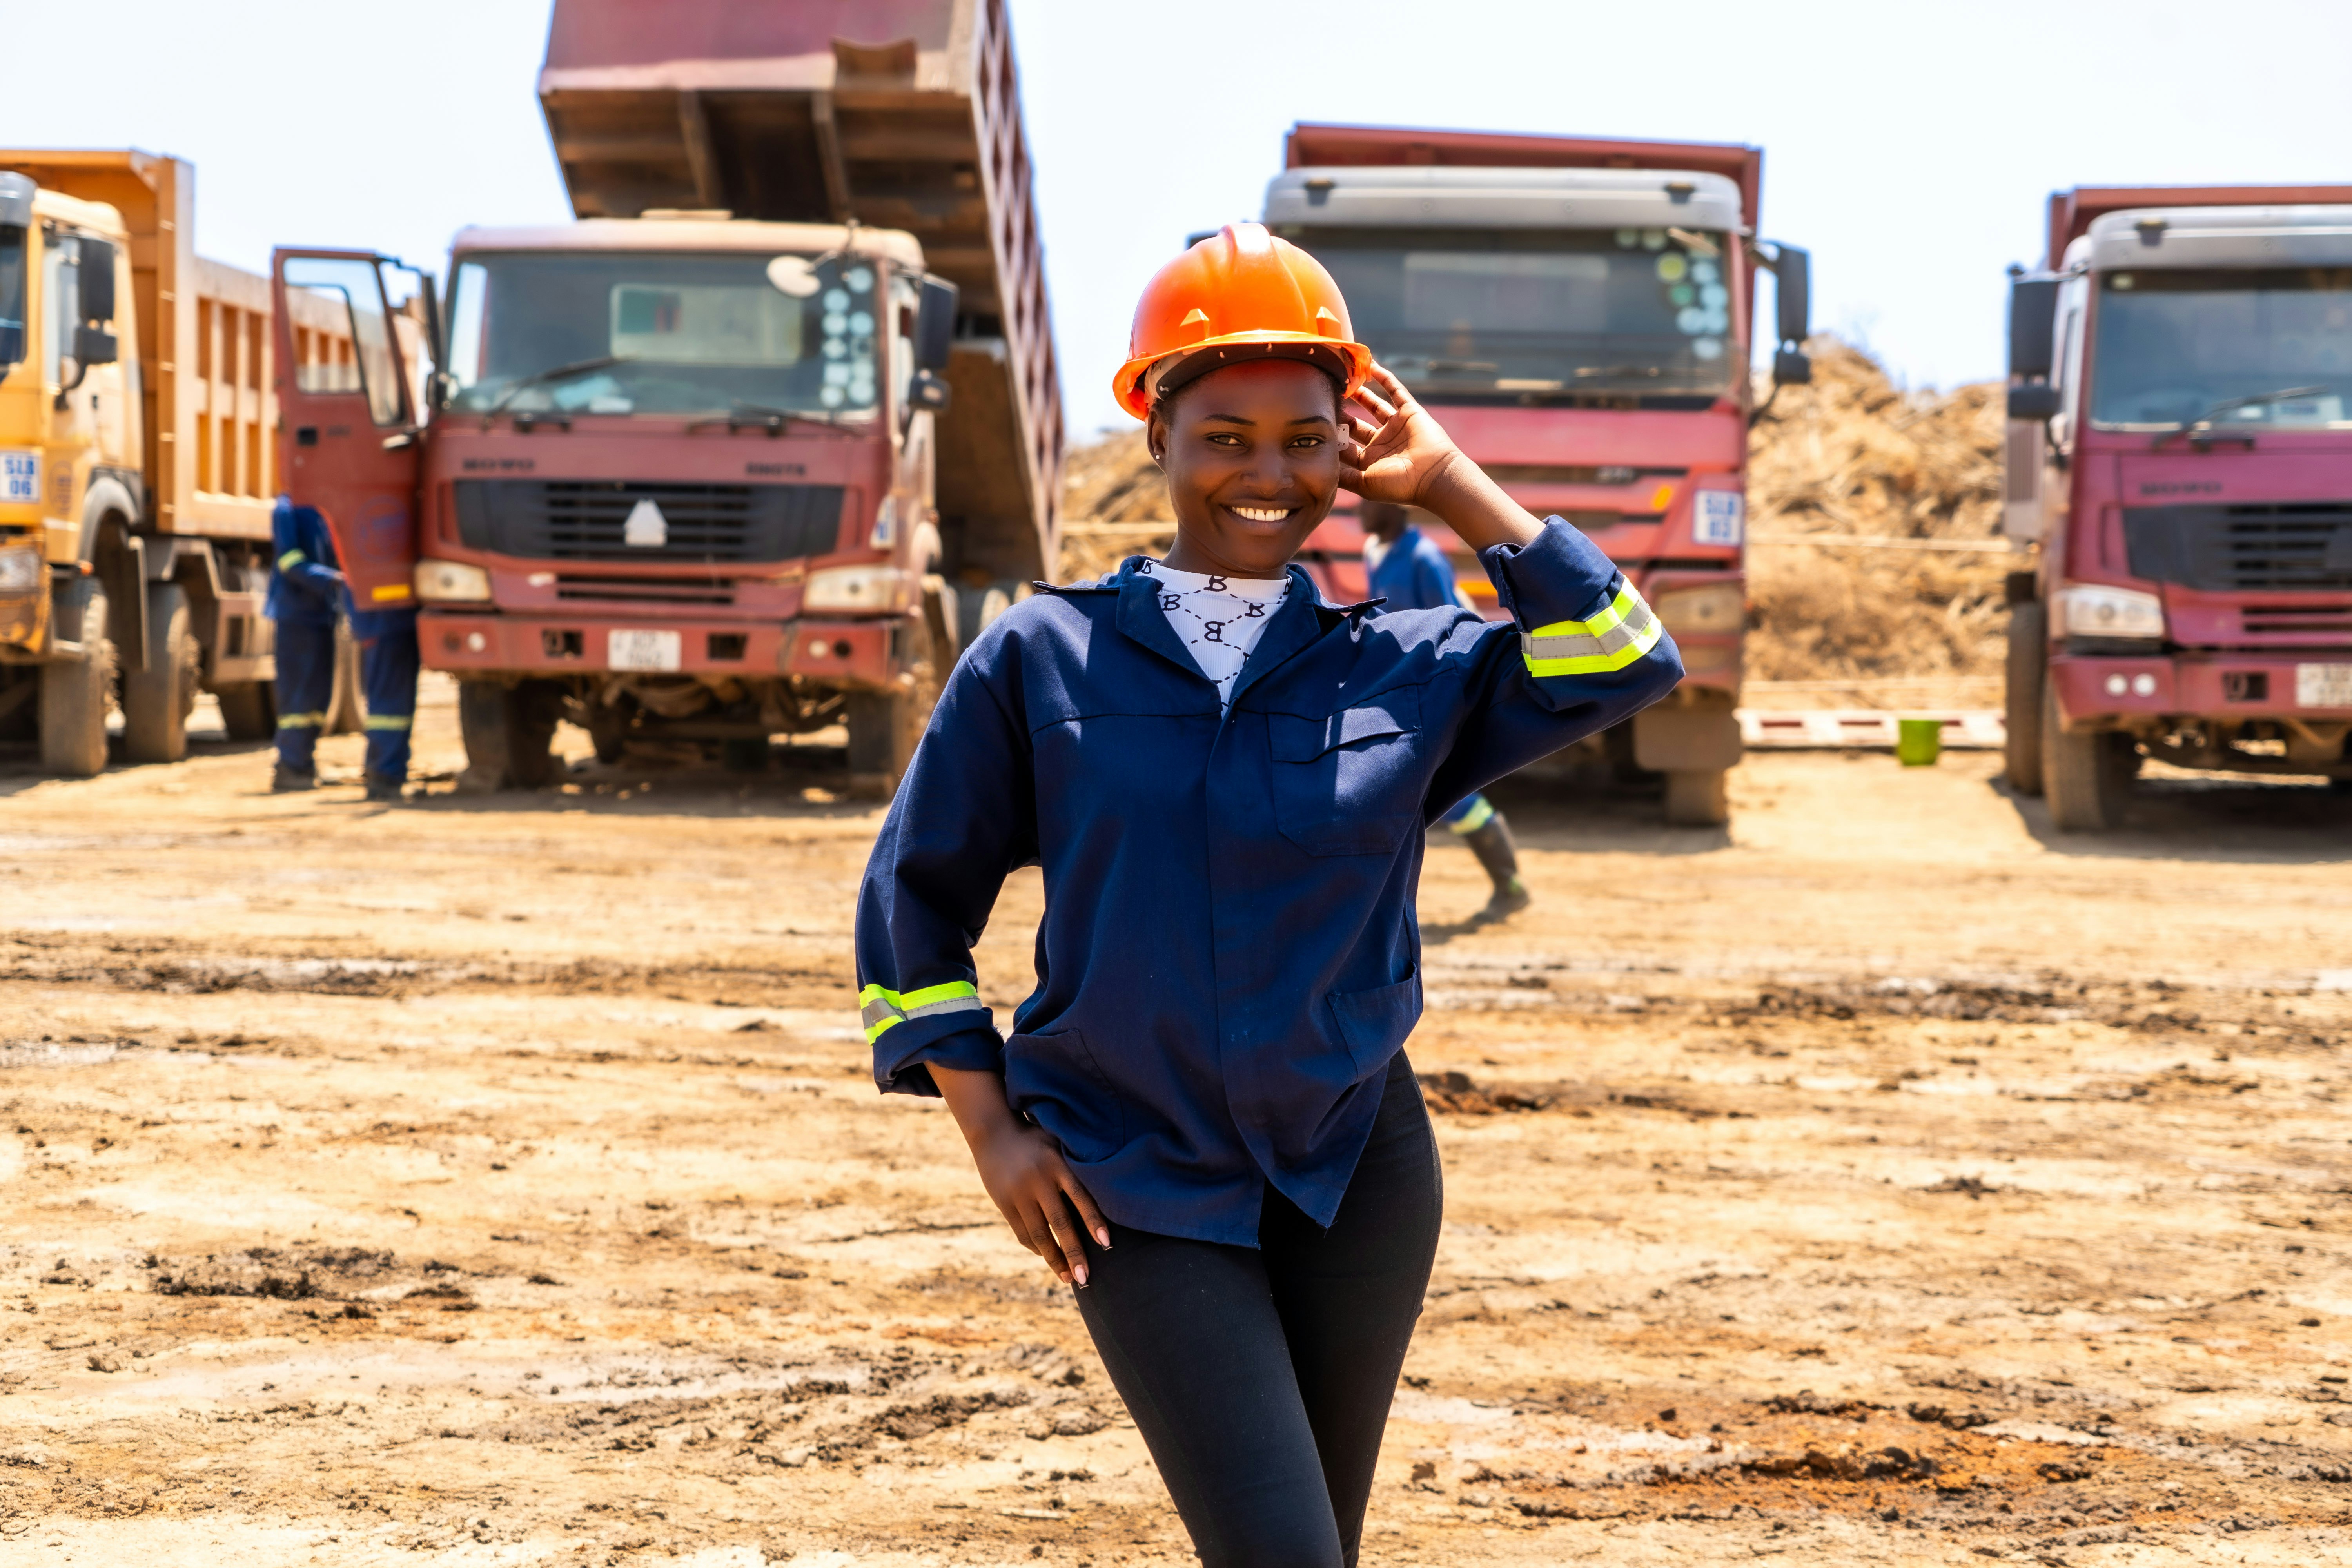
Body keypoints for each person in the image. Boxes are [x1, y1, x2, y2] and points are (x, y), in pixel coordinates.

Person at [854, 223, 1682, 1567]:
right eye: (1225, 434)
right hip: (1132, 1177)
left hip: (1356, 1169)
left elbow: (1626, 660)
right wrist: (989, 1128)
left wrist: (1455, 482)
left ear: (1351, 446)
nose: (1266, 471)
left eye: (1305, 437)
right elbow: (913, 902)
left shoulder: (1409, 667)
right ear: (1158, 438)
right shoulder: (1042, 660)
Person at [1361, 498, 1530, 921]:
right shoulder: (1374, 551)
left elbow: (1451, 627)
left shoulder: (1424, 559)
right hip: (1399, 690)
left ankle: (1510, 885)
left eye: (1369, 504)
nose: (1359, 512)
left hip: (1428, 691)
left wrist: (1450, 699)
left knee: (1449, 797)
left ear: (1397, 509)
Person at [263, 497, 341, 792]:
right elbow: (289, 561)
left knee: (319, 697)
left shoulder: (325, 508)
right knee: (298, 696)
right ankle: (290, 765)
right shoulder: (286, 509)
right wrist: (331, 579)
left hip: (322, 612)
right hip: (295, 614)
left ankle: (304, 762)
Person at [350, 599, 419, 803]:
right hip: (383, 622)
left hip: (393, 621)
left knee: (395, 705)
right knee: (389, 708)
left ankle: (386, 774)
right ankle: (384, 777)